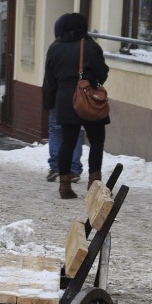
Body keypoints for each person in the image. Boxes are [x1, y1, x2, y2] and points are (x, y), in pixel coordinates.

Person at [42, 12, 110, 199]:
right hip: (89, 99)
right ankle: (94, 184)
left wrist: (52, 99)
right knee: (96, 142)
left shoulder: (54, 48)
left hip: (65, 100)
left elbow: (50, 78)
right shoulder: (90, 46)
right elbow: (102, 72)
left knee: (68, 142)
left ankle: (64, 186)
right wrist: (90, 80)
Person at [46, 13, 84, 183]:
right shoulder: (83, 47)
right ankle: (74, 168)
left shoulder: (55, 47)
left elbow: (49, 77)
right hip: (79, 96)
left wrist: (48, 97)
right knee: (75, 131)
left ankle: (55, 166)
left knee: (56, 128)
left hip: (58, 95)